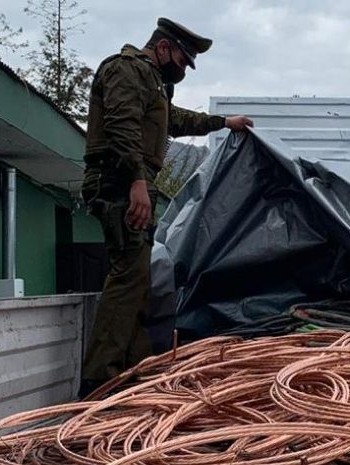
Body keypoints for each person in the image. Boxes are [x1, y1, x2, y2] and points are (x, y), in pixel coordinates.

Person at [79, 18, 253, 397]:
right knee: (128, 277)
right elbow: (122, 126)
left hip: (127, 182)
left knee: (138, 277)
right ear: (162, 48)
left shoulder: (153, 83)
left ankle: (131, 370)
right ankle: (99, 380)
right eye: (182, 59)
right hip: (117, 184)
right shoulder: (126, 69)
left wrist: (223, 123)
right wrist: (137, 183)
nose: (184, 69)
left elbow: (174, 120)